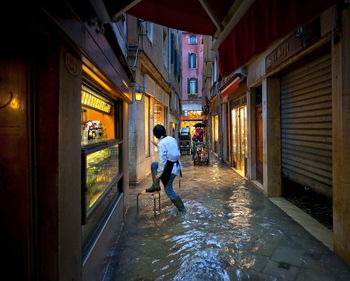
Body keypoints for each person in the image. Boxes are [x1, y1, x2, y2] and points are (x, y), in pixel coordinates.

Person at [146, 124, 185, 212]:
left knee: (168, 190)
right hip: (177, 165)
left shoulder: (161, 143)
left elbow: (162, 162)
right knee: (153, 165)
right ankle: (155, 185)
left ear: (155, 135)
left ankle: (182, 210)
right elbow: (171, 150)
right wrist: (158, 145)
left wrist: (158, 175)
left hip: (170, 168)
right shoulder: (172, 139)